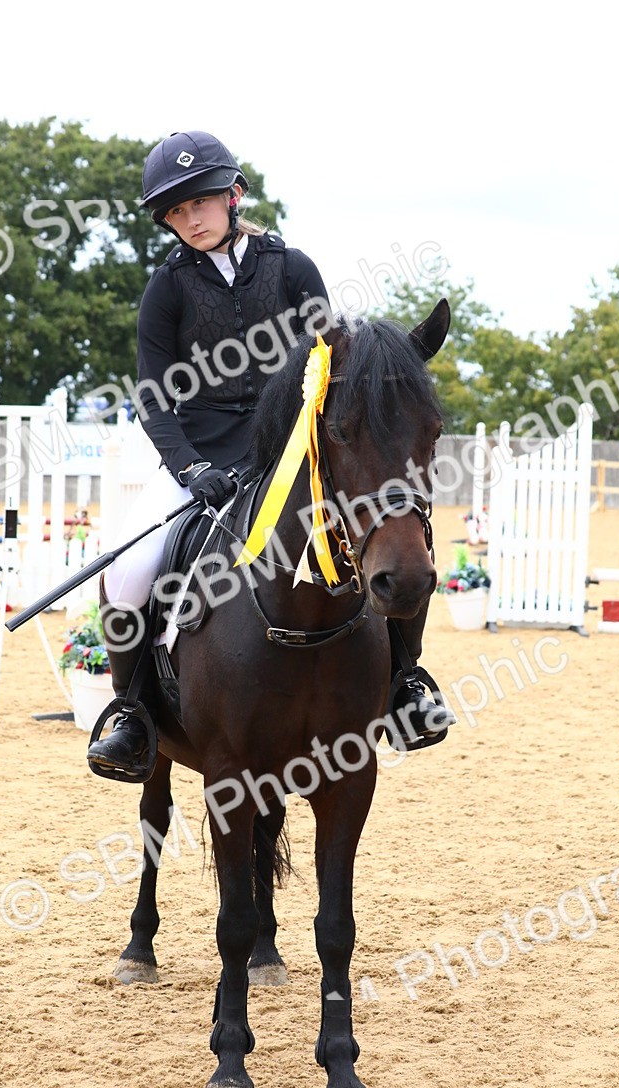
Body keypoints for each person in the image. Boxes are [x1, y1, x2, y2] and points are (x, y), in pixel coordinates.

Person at [87, 130, 454, 781]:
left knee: (397, 538)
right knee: (129, 569)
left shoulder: (291, 268)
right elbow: (151, 397)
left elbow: (329, 364)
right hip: (198, 465)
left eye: (199, 202)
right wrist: (189, 467)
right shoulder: (165, 291)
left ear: (233, 195)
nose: (190, 220)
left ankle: (404, 682)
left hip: (289, 459)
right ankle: (134, 711)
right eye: (175, 212)